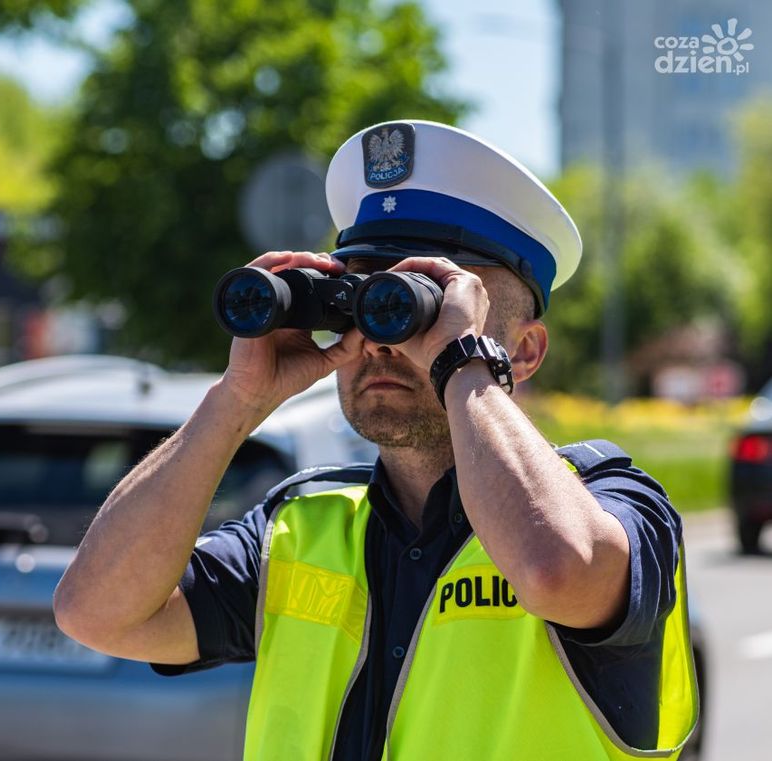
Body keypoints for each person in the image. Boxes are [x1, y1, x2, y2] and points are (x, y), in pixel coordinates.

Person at [53, 120, 698, 760]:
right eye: (364, 297)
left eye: (424, 302)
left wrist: (460, 362)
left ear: (523, 351)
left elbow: (557, 571)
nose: (385, 338)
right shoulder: (300, 533)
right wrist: (237, 401)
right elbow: (97, 612)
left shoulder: (615, 506)